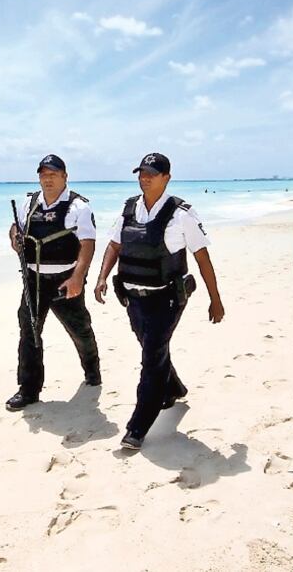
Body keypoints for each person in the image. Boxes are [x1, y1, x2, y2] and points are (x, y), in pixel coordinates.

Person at [93, 153, 225, 450]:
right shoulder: (129, 209)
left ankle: (138, 427)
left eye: (152, 173)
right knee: (152, 348)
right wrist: (102, 277)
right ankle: (174, 389)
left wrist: (215, 299)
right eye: (141, 172)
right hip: (133, 298)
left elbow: (202, 258)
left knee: (151, 358)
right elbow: (114, 245)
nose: (145, 178)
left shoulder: (182, 215)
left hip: (167, 300)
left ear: (166, 177)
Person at [6, 155, 101, 411]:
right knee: (29, 333)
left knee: (79, 329)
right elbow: (16, 228)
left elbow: (88, 244)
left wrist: (77, 278)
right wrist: (15, 237)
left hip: (64, 279)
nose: (47, 179)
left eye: (53, 174)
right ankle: (28, 390)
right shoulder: (30, 202)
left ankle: (92, 369)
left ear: (64, 176)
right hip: (34, 279)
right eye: (43, 174)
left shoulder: (78, 207)